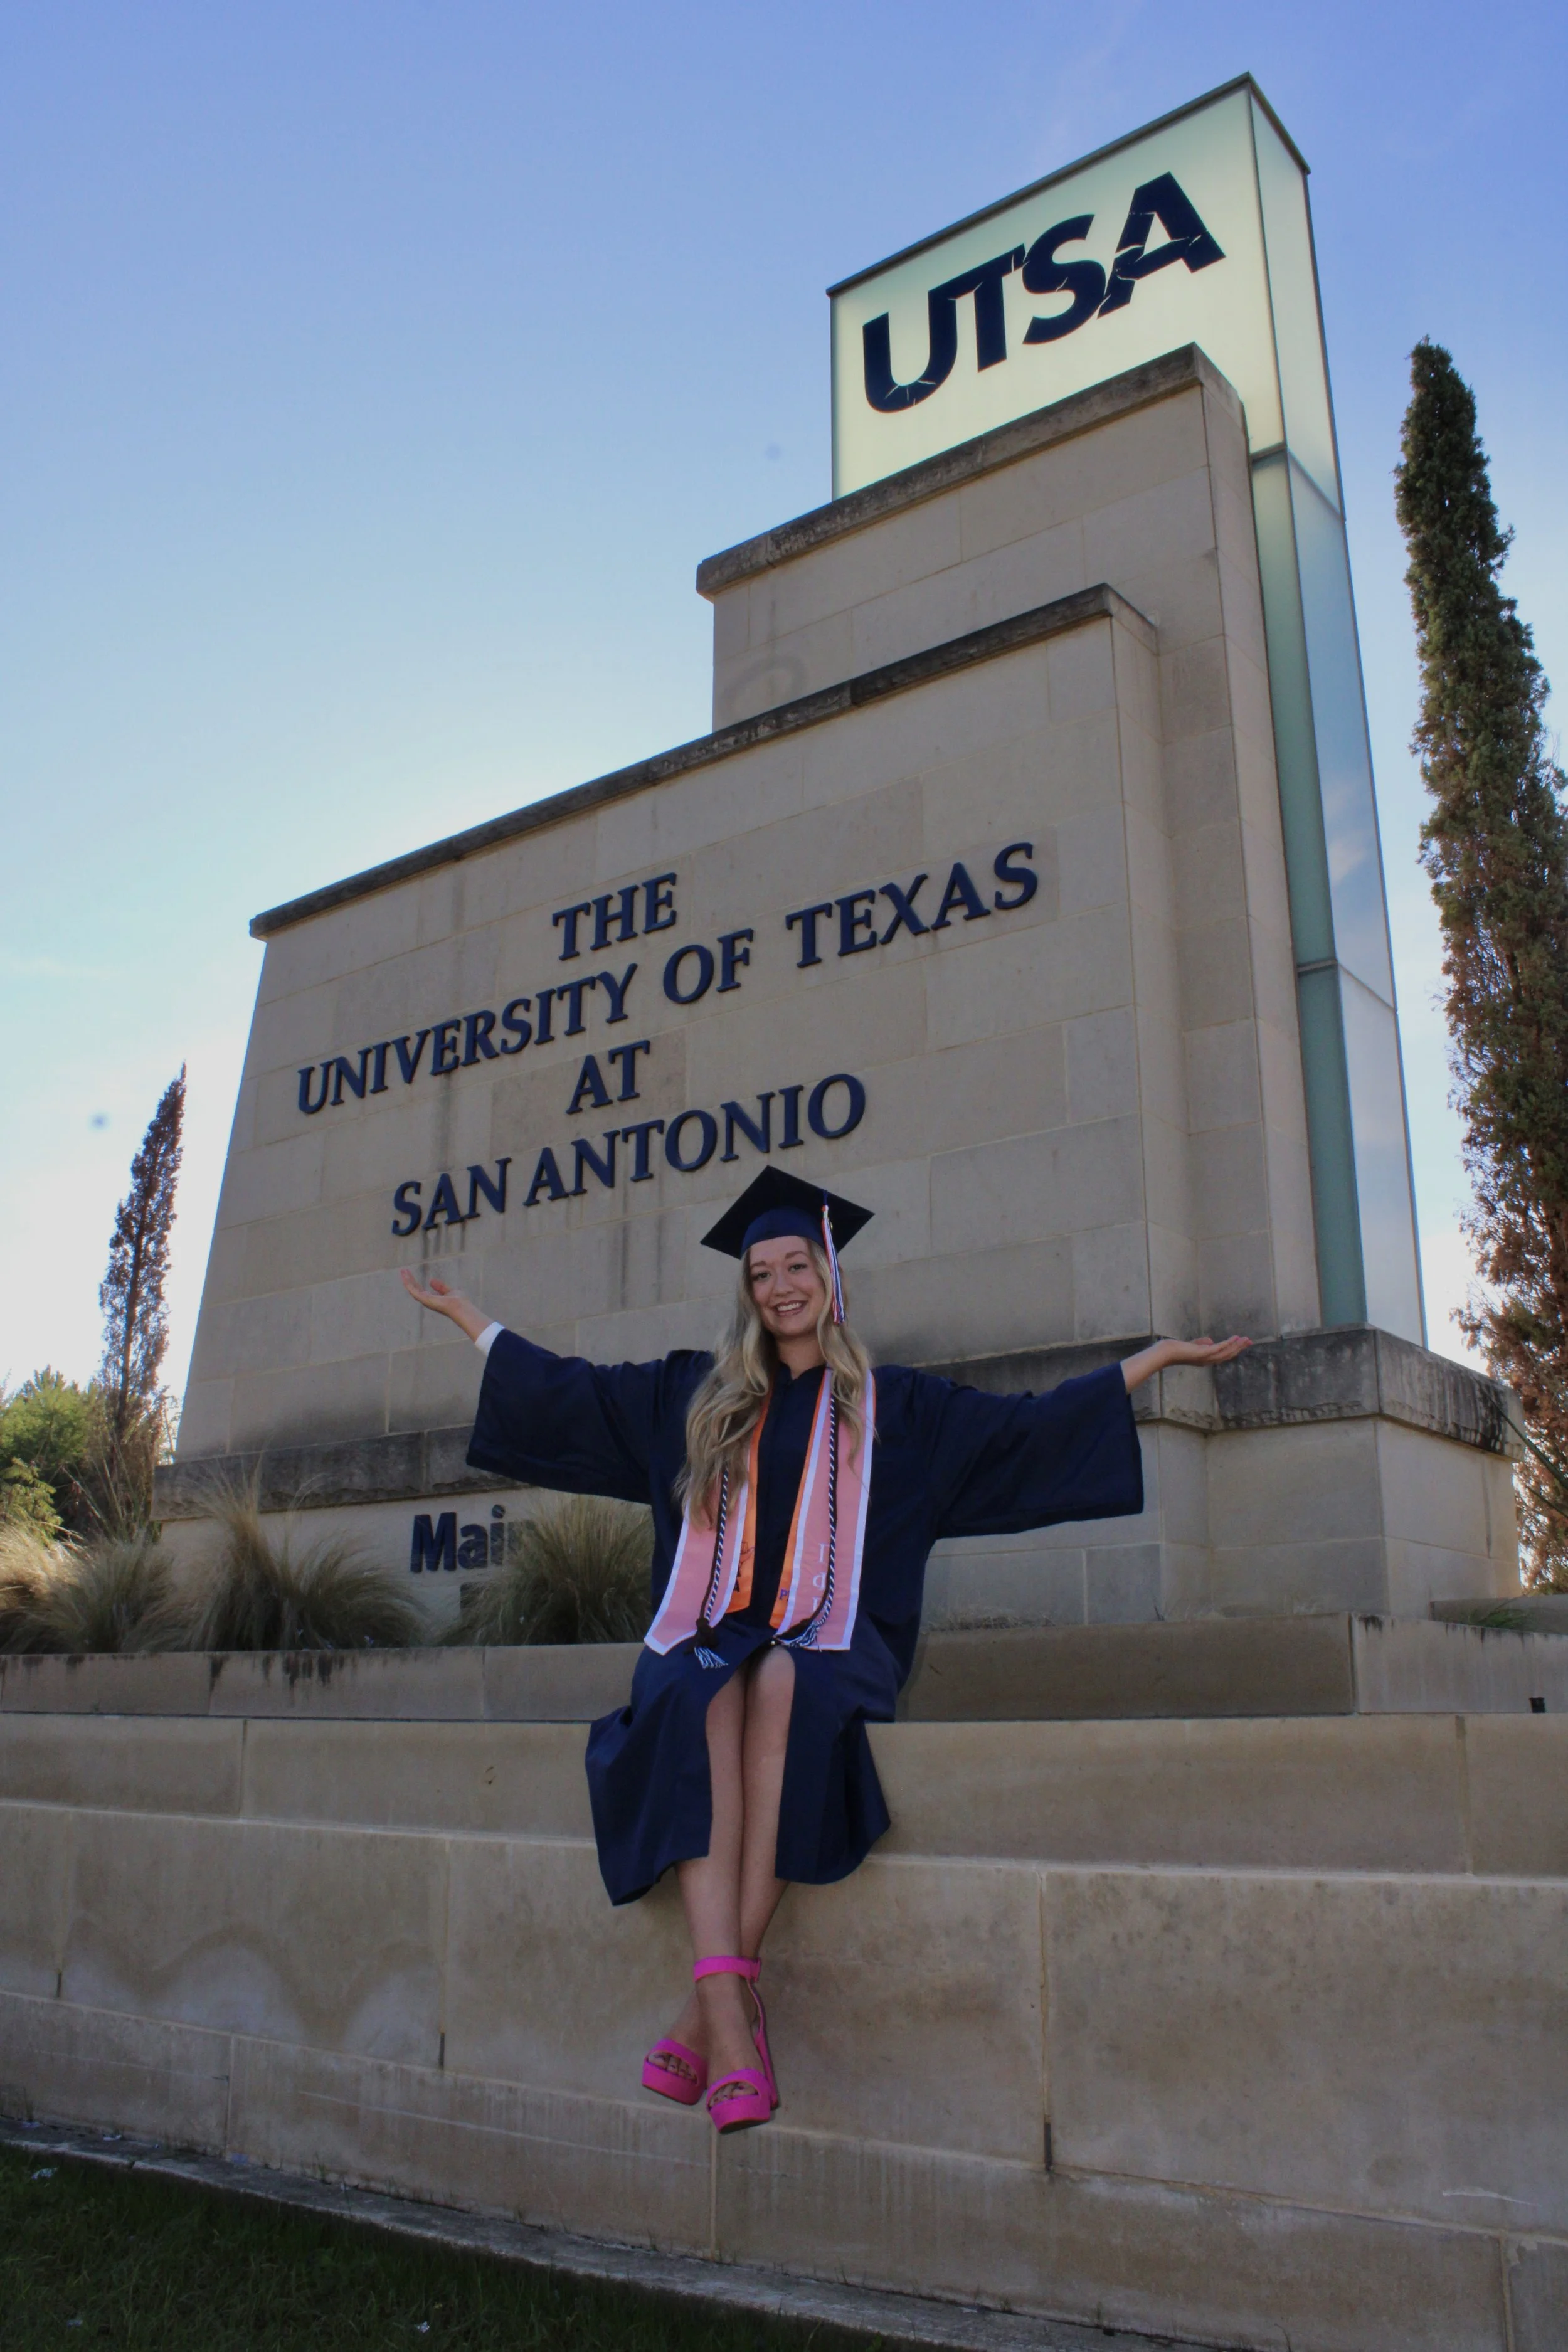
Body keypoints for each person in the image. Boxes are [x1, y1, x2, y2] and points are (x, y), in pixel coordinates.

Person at [400, 1167, 1249, 2135]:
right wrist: (474, 1322)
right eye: (761, 1273)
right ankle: (731, 2007)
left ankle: (710, 2009)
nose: (779, 1287)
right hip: (710, 1630)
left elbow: (1025, 1427)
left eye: (796, 1265)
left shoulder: (899, 1409)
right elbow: (576, 1394)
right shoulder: (696, 1396)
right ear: (748, 1291)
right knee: (694, 1690)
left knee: (786, 1681)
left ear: (829, 1276)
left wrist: (1152, 1361)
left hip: (837, 1636)